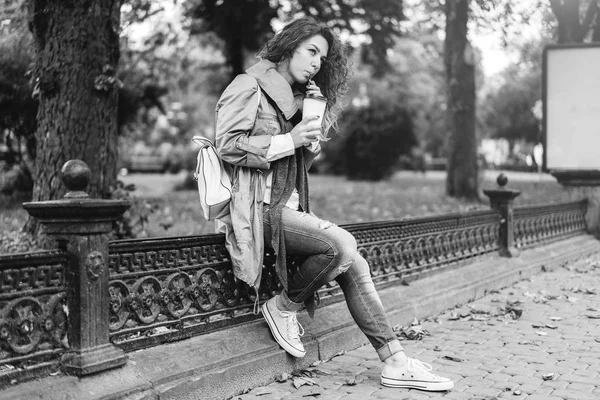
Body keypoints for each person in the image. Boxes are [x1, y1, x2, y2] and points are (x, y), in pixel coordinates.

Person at [214, 17, 454, 392]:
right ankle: (283, 307)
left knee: (354, 262)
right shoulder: (248, 86)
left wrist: (307, 147)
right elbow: (228, 144)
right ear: (288, 46)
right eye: (311, 51)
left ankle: (396, 361)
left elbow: (291, 165)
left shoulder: (297, 100)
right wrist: (291, 140)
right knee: (342, 245)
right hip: (253, 209)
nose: (316, 63)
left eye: (322, 58)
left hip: (284, 208)